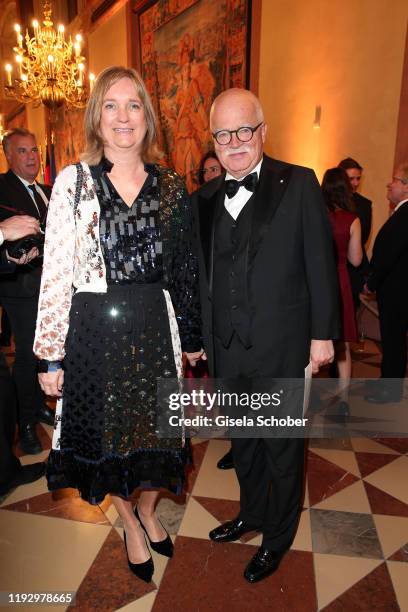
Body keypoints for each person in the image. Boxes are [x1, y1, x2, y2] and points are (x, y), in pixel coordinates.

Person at [34, 66, 203, 583]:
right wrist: (50, 355)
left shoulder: (172, 184)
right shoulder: (74, 182)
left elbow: (185, 270)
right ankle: (129, 519)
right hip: (94, 332)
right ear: (96, 117)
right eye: (111, 105)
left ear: (147, 117)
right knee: (109, 440)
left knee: (160, 436)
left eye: (133, 105)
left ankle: (148, 509)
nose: (123, 116)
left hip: (156, 326)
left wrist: (192, 338)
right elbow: (57, 269)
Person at [191, 88, 339, 583]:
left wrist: (323, 336)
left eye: (243, 131)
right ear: (213, 139)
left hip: (281, 345)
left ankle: (278, 537)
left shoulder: (298, 184)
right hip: (226, 349)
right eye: (223, 134)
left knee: (280, 446)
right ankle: (251, 514)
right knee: (246, 441)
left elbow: (321, 264)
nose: (234, 143)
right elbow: (199, 277)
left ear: (263, 131)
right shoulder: (205, 198)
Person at [0, 128, 54, 455]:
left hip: (51, 287)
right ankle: (27, 423)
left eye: (34, 150)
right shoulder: (1, 187)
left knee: (45, 352)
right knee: (25, 357)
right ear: (8, 156)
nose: (32, 156)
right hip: (19, 288)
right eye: (23, 151)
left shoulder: (48, 190)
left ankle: (38, 405)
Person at [0, 215, 45, 495]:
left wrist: (9, 261)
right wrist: (2, 231)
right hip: (19, 296)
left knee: (4, 395)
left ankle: (6, 472)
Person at [364, 163, 408, 403]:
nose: (389, 184)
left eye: (396, 180)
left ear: (406, 187)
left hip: (397, 292)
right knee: (394, 342)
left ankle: (389, 391)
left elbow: (388, 255)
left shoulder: (404, 216)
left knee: (393, 342)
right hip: (398, 291)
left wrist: (372, 281)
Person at [322, 168, 363, 412]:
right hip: (340, 280)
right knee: (342, 344)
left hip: (316, 280)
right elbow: (356, 260)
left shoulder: (315, 213)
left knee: (310, 339)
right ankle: (344, 399)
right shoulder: (352, 219)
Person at [338, 157, 372, 308]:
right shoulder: (327, 202)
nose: (356, 183)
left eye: (358, 178)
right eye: (351, 178)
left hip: (353, 270)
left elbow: (363, 237)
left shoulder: (364, 205)